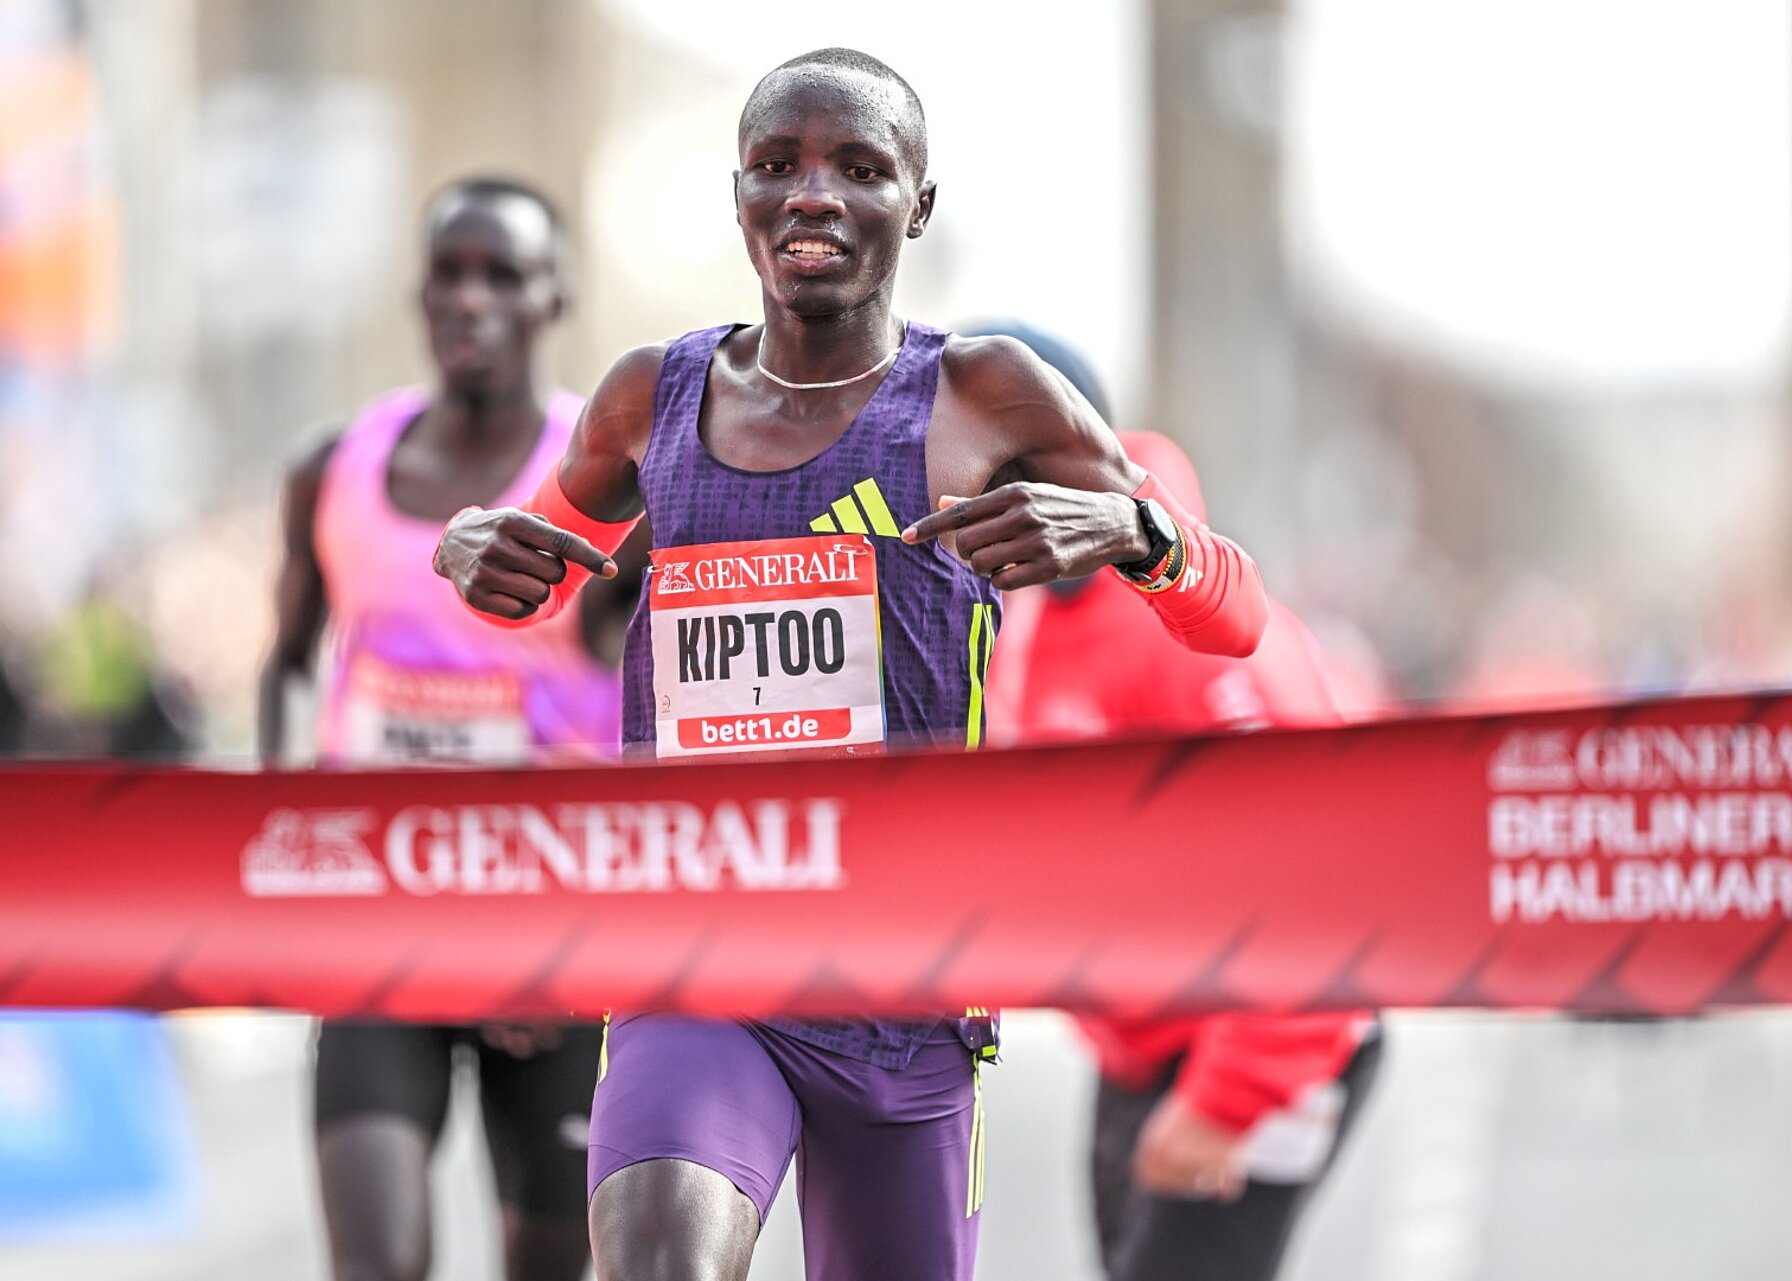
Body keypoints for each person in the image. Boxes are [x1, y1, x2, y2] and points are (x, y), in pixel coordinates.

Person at [432, 50, 1268, 1281]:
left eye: (860, 169)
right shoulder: (648, 400)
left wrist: (1137, 535)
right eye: (778, 166)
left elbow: (1233, 620)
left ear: (918, 206)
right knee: (658, 1261)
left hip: (906, 984)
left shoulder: (984, 396)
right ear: (739, 197)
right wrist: (468, 547)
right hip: (697, 961)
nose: (812, 195)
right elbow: (534, 575)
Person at [969, 320, 1379, 1281]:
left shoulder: (1177, 616)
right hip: (1142, 1044)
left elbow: (1318, 875)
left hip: (1260, 1041)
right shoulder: (1030, 603)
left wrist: (1230, 1098)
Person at [259, 175, 615, 1281]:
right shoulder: (335, 467)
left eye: (502, 276)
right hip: (378, 918)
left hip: (551, 940)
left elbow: (653, 710)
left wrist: (577, 938)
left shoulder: (606, 482)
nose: (471, 301)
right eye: (448, 275)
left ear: (555, 297)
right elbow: (285, 666)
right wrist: (279, 843)